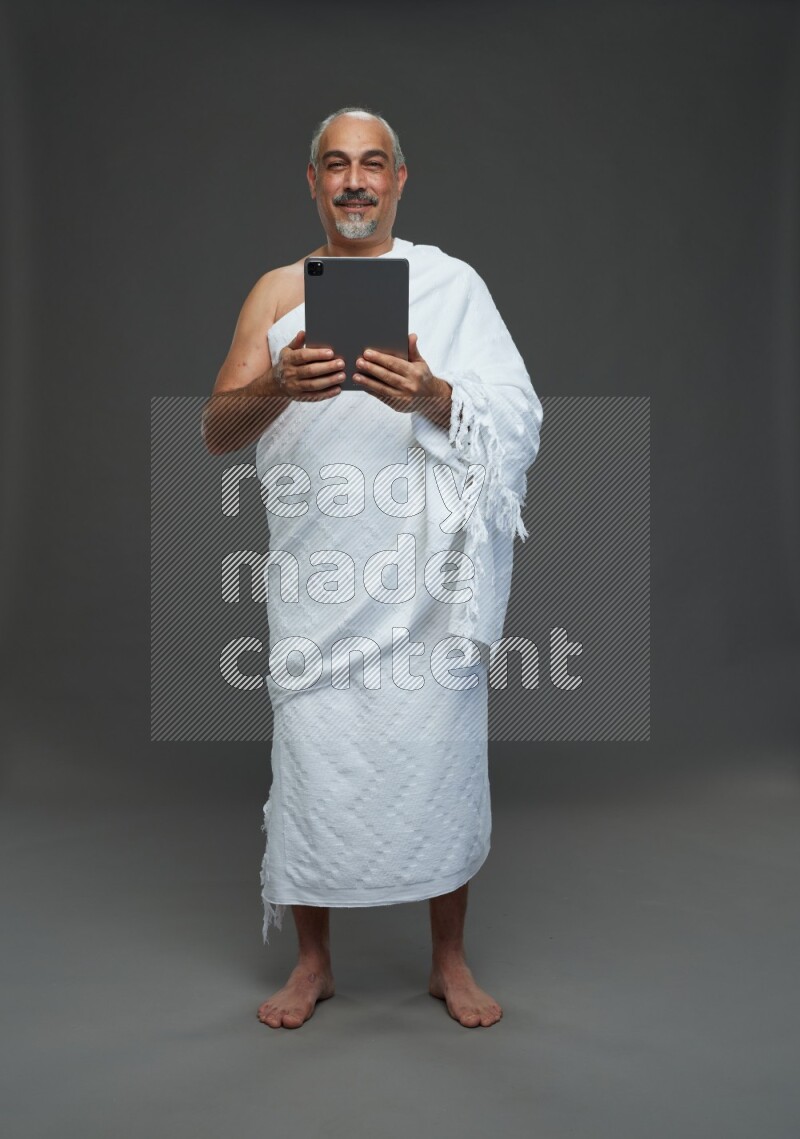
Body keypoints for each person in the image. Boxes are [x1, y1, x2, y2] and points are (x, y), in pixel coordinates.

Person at [202, 106, 543, 1029]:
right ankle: (313, 963)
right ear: (313, 182)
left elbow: (519, 415)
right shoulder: (277, 293)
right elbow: (217, 430)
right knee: (314, 760)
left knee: (439, 756)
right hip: (318, 576)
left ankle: (448, 960)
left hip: (428, 586)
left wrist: (436, 397)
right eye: (336, 164)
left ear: (399, 179)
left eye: (373, 163)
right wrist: (278, 385)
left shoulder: (453, 287)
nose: (355, 180)